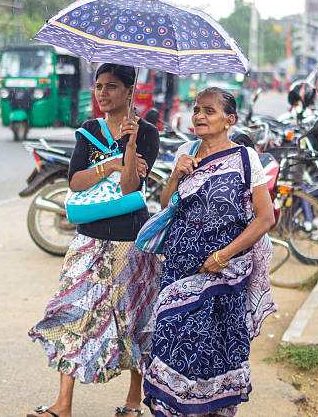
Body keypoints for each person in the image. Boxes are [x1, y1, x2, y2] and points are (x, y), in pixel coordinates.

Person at [28, 63, 160, 417]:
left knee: (134, 317)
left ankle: (134, 401)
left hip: (131, 243)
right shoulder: (88, 131)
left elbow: (132, 186)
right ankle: (63, 404)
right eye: (99, 86)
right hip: (88, 239)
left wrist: (130, 146)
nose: (103, 93)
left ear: (130, 91)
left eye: (112, 87)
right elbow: (74, 181)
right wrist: (108, 165)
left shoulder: (146, 133)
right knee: (72, 310)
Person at [142, 87, 277, 416]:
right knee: (173, 340)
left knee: (215, 349)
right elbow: (166, 206)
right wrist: (177, 174)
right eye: (196, 110)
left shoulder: (246, 159)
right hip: (180, 268)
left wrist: (223, 255)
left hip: (224, 274)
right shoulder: (186, 153)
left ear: (229, 120)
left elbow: (265, 218)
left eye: (209, 111)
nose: (199, 116)